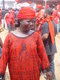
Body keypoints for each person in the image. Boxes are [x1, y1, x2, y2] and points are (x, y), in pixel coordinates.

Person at [0, 7, 50, 80]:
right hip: (16, 75)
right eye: (28, 21)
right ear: (20, 21)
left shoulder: (36, 36)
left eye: (33, 21)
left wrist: (47, 70)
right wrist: (1, 73)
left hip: (34, 74)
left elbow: (42, 54)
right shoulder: (10, 37)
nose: (32, 24)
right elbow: (4, 58)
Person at [41, 8, 58, 80]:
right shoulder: (54, 22)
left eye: (44, 12)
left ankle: (49, 77)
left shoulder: (46, 23)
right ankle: (53, 78)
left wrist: (39, 40)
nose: (43, 14)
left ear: (46, 13)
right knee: (51, 64)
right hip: (52, 47)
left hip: (46, 48)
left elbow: (45, 36)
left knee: (45, 63)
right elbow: (56, 33)